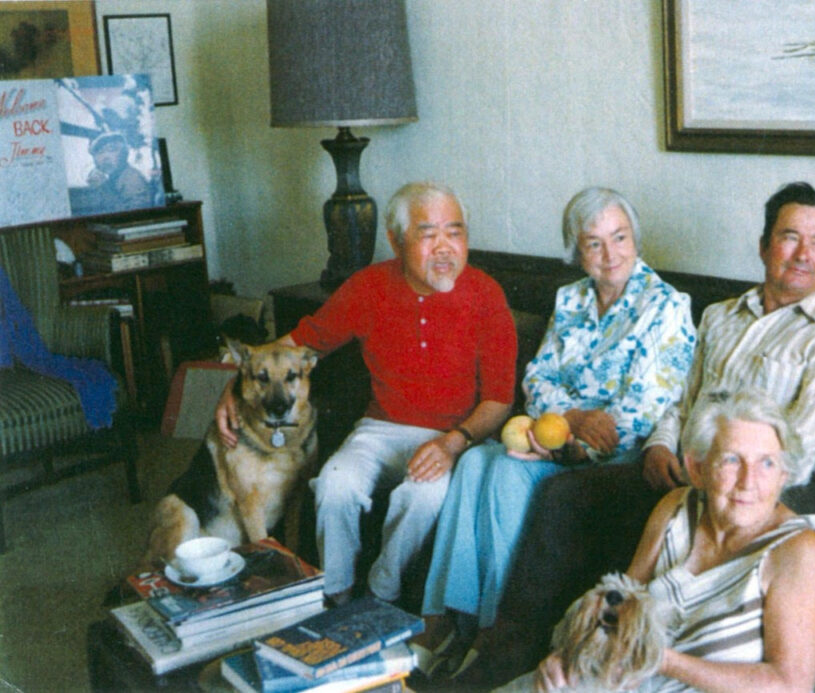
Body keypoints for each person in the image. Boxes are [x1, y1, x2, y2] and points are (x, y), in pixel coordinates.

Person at [414, 187, 697, 680]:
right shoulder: (570, 300)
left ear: (635, 239)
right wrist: (572, 419)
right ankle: (443, 618)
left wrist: (566, 435)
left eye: (619, 237)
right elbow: (537, 379)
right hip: (558, 438)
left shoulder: (666, 306)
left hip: (615, 455)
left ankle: (492, 633)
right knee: (476, 460)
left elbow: (641, 409)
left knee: (500, 470)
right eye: (593, 243)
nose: (609, 254)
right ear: (576, 251)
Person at [215, 181, 518, 604]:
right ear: (395, 240)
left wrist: (454, 443)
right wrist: (234, 385)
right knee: (334, 485)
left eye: (456, 232)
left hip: (451, 436)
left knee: (421, 498)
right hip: (379, 428)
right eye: (428, 234)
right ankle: (336, 594)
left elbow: (499, 400)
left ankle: (379, 594)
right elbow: (300, 344)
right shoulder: (369, 287)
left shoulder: (487, 295)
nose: (445, 247)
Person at [515, 388, 815, 692]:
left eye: (767, 463)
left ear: (784, 475)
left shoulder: (800, 550)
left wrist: (660, 660)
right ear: (697, 469)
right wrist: (569, 654)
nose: (749, 482)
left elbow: (790, 685)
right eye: (731, 460)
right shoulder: (677, 507)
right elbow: (622, 597)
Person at [643, 181, 815, 516]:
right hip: (685, 471)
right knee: (568, 496)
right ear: (764, 246)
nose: (803, 255)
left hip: (772, 488)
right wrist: (660, 445)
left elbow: (807, 450)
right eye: (790, 237)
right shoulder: (718, 316)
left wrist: (716, 477)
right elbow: (682, 398)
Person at [84, 131, 151, 210]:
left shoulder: (133, 180)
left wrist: (103, 188)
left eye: (112, 150)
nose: (105, 157)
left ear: (124, 154)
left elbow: (134, 216)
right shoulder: (114, 176)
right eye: (100, 152)